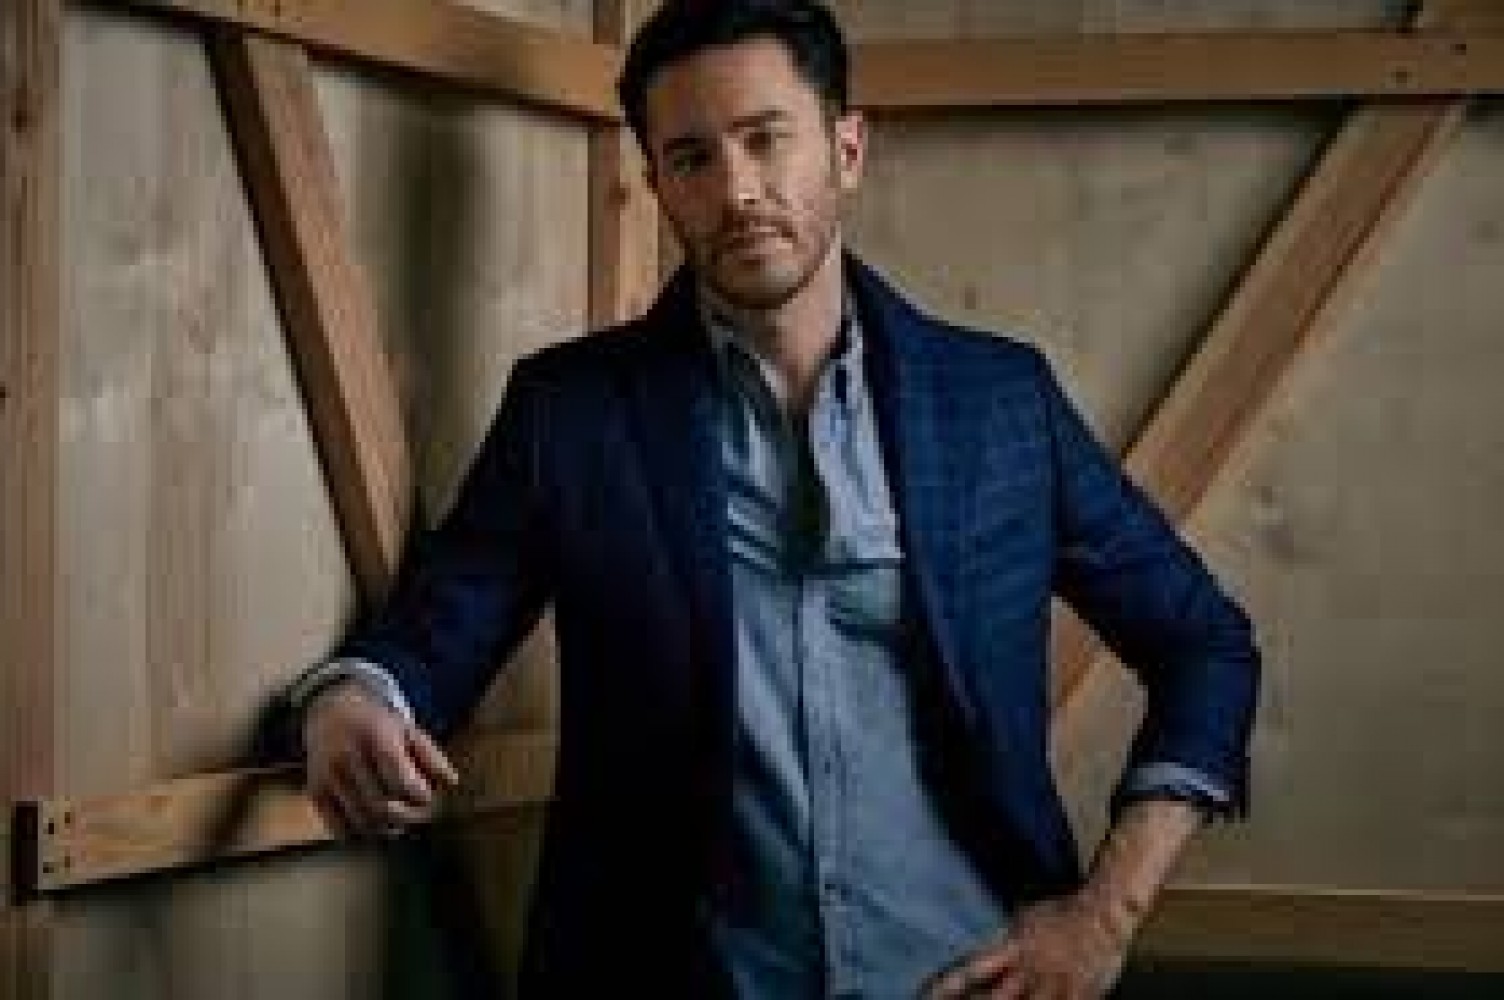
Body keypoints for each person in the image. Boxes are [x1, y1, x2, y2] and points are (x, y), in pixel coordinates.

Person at [287, 1, 1260, 996]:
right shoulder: (571, 412)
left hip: (970, 976)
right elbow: (442, 624)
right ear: (658, 185)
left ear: (847, 149)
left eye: (765, 139)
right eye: (692, 158)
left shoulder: (999, 402)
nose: (736, 190)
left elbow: (1205, 642)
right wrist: (351, 698)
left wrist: (1106, 914)